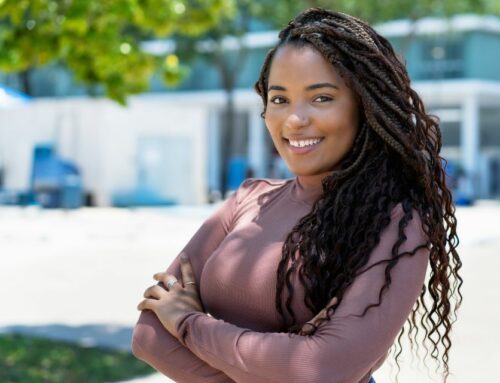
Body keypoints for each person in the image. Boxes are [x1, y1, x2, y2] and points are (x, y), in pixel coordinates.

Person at [132, 8, 462, 383]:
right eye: (279, 99)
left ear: (365, 106)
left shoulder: (395, 224)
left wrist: (189, 322)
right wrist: (279, 360)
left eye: (321, 98)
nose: (293, 120)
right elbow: (148, 337)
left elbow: (319, 369)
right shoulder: (247, 200)